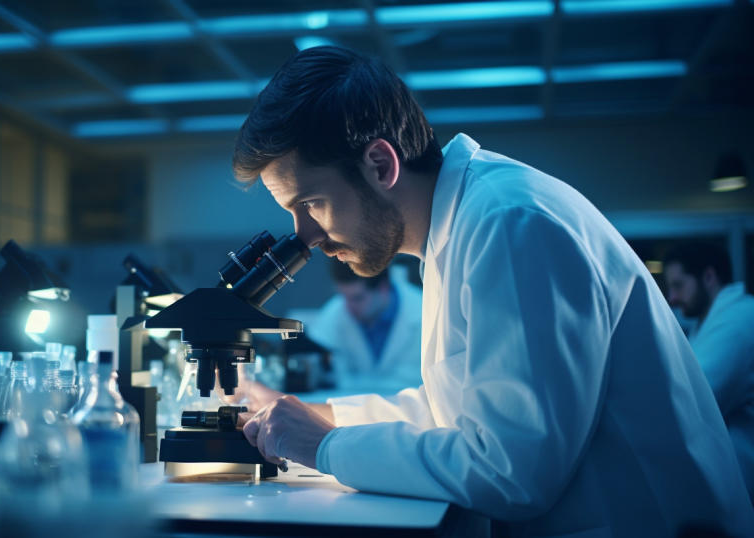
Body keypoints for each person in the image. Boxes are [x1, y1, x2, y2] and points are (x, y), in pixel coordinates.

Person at [230, 46, 753, 536]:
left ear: (381, 165)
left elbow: (512, 472)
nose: (306, 237)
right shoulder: (456, 230)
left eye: (312, 204)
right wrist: (317, 418)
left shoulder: (509, 224)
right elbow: (453, 414)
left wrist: (325, 446)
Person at [664, 241, 754, 498]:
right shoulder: (705, 322)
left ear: (709, 277)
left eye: (678, 285)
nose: (672, 298)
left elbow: (695, 401)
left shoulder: (738, 320)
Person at [305, 259, 422, 392]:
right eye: (343, 296)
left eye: (357, 298)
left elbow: (414, 382)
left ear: (383, 288)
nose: (348, 307)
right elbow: (330, 377)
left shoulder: (421, 312)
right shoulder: (335, 312)